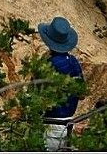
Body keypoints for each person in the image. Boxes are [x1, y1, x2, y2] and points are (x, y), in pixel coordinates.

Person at [38, 15, 83, 151]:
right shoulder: (73, 62)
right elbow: (82, 94)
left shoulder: (48, 65)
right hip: (68, 123)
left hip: (51, 124)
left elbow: (37, 98)